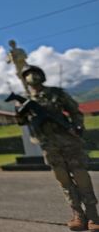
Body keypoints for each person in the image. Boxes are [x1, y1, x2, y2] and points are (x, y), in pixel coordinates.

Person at [16, 65, 98, 231]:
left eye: (35, 73)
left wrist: (78, 127)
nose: (32, 76)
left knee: (81, 176)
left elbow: (75, 111)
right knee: (64, 180)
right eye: (27, 74)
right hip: (49, 145)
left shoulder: (56, 93)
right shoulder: (24, 100)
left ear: (42, 75)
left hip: (69, 141)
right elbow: (22, 121)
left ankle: (93, 216)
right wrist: (20, 112)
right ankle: (78, 215)